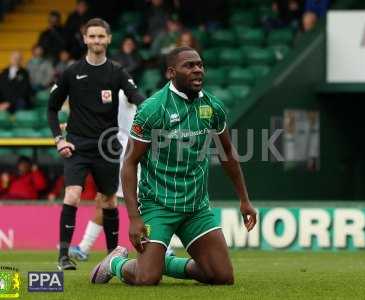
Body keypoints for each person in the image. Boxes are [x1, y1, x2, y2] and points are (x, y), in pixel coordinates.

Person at [90, 46, 257, 285]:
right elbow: (129, 163)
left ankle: (162, 262)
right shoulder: (152, 109)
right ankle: (115, 262)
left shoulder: (213, 107)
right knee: (147, 279)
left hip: (196, 207)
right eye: (189, 65)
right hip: (157, 204)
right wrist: (134, 217)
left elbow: (228, 154)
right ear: (171, 72)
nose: (198, 70)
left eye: (200, 64)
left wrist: (244, 200)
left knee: (221, 276)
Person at [47, 18, 145, 271]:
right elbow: (51, 107)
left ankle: (112, 256)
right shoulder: (71, 72)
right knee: (73, 194)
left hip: (107, 147)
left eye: (101, 36)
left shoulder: (117, 72)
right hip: (77, 146)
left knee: (109, 201)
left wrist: (150, 107)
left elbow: (136, 97)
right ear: (85, 39)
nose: (97, 41)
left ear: (109, 39)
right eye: (92, 36)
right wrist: (59, 139)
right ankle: (63, 256)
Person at [69, 91, 175, 261]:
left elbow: (143, 102)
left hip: (126, 152)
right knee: (104, 200)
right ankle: (84, 247)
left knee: (141, 202)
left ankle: (165, 247)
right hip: (115, 153)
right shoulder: (102, 94)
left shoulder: (121, 91)